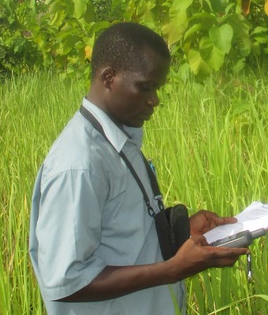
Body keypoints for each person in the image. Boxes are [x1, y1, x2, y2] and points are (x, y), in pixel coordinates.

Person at [29, 22, 247, 315]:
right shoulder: (79, 165)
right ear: (109, 78)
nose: (155, 100)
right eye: (145, 86)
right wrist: (171, 270)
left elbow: (122, 231)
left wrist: (181, 232)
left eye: (157, 88)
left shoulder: (119, 138)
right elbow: (67, 281)